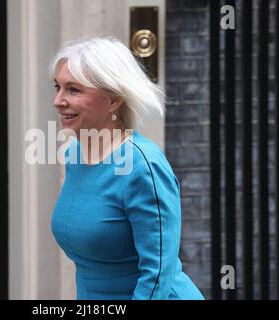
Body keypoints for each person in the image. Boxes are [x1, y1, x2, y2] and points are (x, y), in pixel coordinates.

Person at [50, 36, 204, 300]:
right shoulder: (74, 153)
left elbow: (157, 275)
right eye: (58, 87)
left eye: (73, 90)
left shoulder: (143, 166)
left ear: (113, 100)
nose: (58, 100)